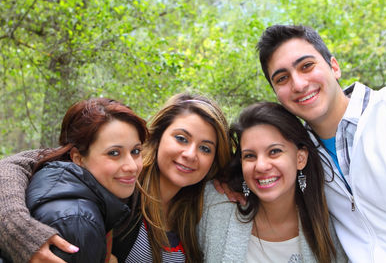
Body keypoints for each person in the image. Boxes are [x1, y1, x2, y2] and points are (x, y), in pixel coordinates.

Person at [0, 93, 231, 263]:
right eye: (181, 138)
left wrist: (239, 184)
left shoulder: (203, 208)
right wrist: (18, 230)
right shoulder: (121, 182)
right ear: (157, 137)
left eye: (206, 149)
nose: (190, 154)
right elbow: (19, 164)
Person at [255, 25, 386, 262]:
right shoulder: (298, 156)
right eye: (282, 78)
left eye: (307, 66)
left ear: (334, 67)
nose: (299, 84)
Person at [1, 97, 149, 263]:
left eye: (136, 151)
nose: (132, 166)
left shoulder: (61, 178)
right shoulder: (76, 222)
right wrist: (15, 227)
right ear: (78, 158)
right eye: (114, 153)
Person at [198, 102, 346, 262]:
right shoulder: (213, 206)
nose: (261, 166)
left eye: (274, 152)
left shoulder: (333, 220)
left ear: (300, 158)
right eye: (249, 156)